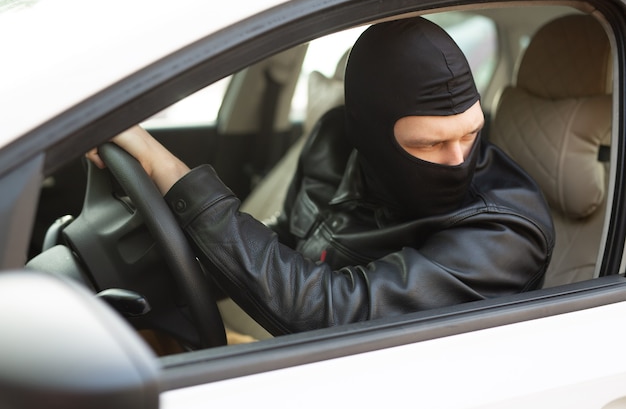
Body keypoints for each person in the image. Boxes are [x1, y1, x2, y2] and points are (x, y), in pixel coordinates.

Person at [87, 17, 555, 336]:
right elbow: (292, 239)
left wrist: (167, 169)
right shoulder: (335, 142)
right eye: (428, 143)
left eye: (471, 133)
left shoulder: (506, 231)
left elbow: (333, 312)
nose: (459, 159)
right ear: (368, 134)